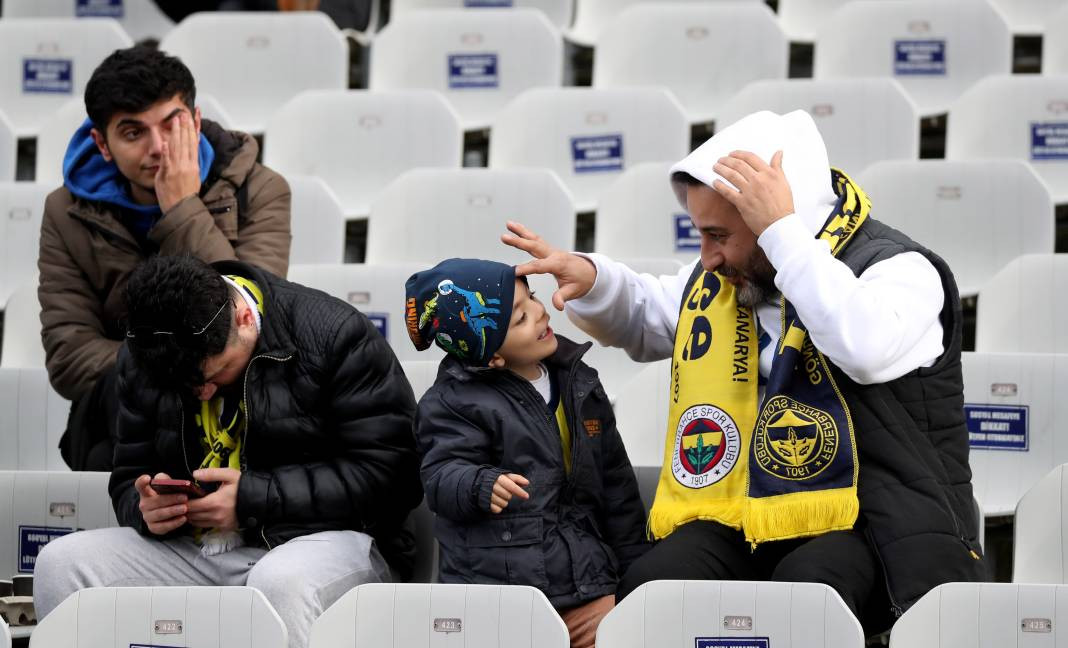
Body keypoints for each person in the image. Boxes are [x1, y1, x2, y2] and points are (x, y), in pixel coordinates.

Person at [502, 110, 986, 632]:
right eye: (701, 235)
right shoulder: (733, 276)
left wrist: (782, 234)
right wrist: (594, 279)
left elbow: (862, 346)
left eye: (719, 235)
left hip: (877, 523)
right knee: (656, 585)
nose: (707, 258)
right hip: (746, 514)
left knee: (810, 593)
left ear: (779, 224)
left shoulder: (900, 270)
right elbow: (652, 313)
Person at [33, 255, 421, 648]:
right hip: (200, 546)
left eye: (213, 376)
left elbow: (394, 476)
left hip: (328, 542)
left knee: (280, 582)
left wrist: (254, 497)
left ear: (243, 319)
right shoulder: (142, 355)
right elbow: (128, 475)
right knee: (61, 564)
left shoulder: (334, 333)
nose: (201, 393)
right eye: (183, 388)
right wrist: (146, 508)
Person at [38, 46, 292, 471]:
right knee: (114, 445)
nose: (158, 148)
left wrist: (181, 211)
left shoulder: (261, 189)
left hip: (235, 396)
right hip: (125, 411)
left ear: (194, 120)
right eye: (134, 133)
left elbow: (251, 316)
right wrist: (172, 367)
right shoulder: (65, 212)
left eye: (171, 126)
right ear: (102, 143)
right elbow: (70, 356)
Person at [405, 258, 648, 648]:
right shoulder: (452, 402)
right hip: (499, 601)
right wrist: (478, 483)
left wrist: (631, 584)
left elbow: (616, 489)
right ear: (492, 357)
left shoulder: (579, 382)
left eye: (531, 297)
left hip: (587, 588)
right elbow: (439, 476)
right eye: (519, 318)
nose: (539, 312)